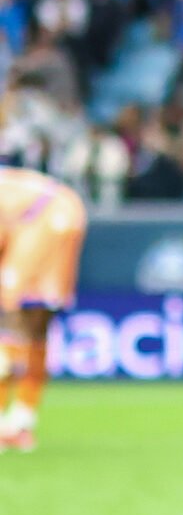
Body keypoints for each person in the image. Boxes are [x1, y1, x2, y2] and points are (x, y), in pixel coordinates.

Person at [0, 167, 84, 452]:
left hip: (43, 218)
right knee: (36, 326)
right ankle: (22, 421)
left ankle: (6, 425)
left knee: (10, 317)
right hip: (65, 209)